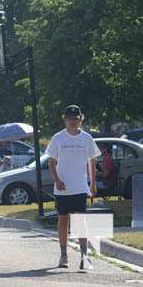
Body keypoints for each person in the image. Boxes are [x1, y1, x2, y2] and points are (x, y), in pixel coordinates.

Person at [46, 105, 100, 271]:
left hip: (80, 186)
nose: (73, 121)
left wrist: (93, 183)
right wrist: (57, 180)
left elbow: (91, 161)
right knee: (63, 220)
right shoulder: (58, 138)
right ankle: (63, 255)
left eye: (76, 119)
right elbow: (51, 162)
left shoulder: (86, 138)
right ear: (65, 119)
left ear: (80, 119)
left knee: (79, 222)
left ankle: (84, 256)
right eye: (70, 119)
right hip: (62, 188)